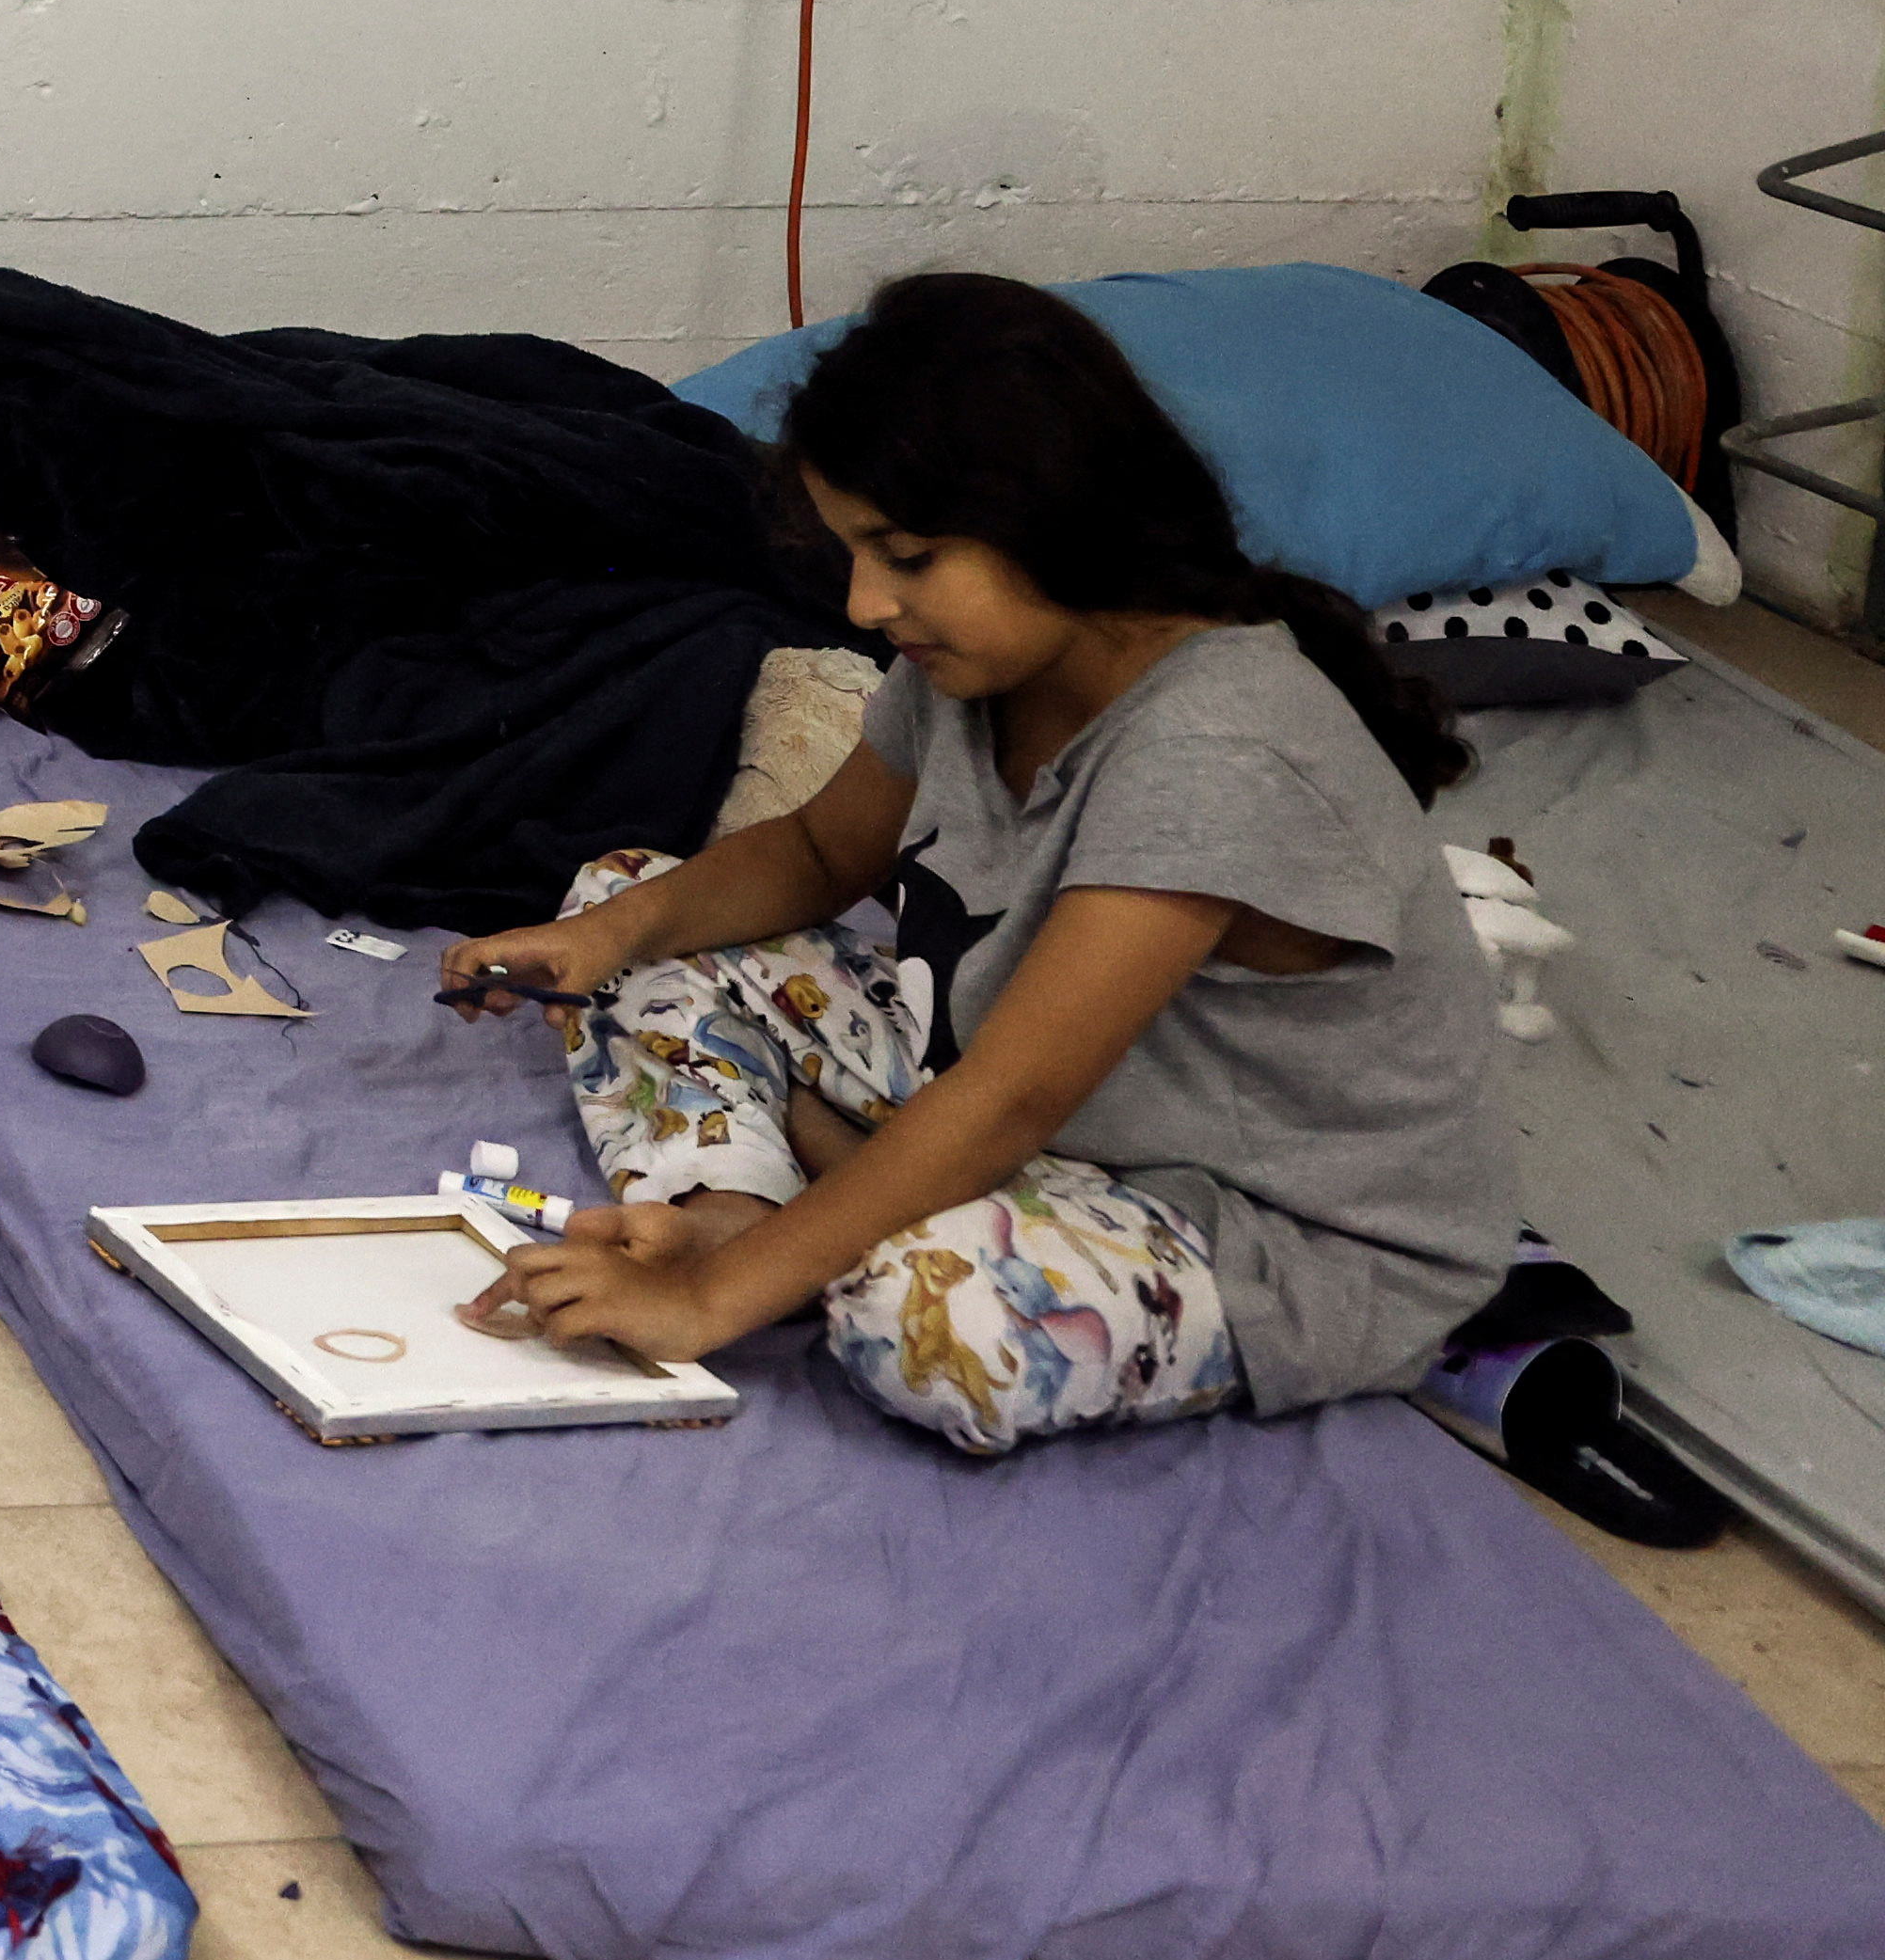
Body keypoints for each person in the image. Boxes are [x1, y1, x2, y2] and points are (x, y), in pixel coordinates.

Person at [427, 271, 1507, 1450]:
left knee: (929, 1319)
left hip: (1258, 1222)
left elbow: (1013, 1096)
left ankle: (786, 1231)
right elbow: (811, 849)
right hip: (1028, 1103)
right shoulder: (976, 668)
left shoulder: (1216, 745)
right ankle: (743, 1205)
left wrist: (701, 1304)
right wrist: (598, 941)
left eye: (903, 554)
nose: (865, 600)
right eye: (851, 552)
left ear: (1054, 517)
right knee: (629, 913)